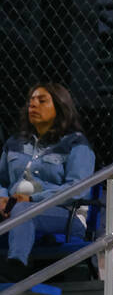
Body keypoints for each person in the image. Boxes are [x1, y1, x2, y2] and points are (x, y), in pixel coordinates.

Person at [0, 83, 95, 282]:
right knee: (20, 209)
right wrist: (1, 197)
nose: (33, 105)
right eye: (31, 101)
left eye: (42, 101)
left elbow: (77, 190)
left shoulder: (76, 145)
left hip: (64, 215)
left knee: (24, 210)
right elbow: (1, 180)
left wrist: (32, 198)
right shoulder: (14, 143)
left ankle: (16, 268)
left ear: (60, 108)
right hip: (14, 208)